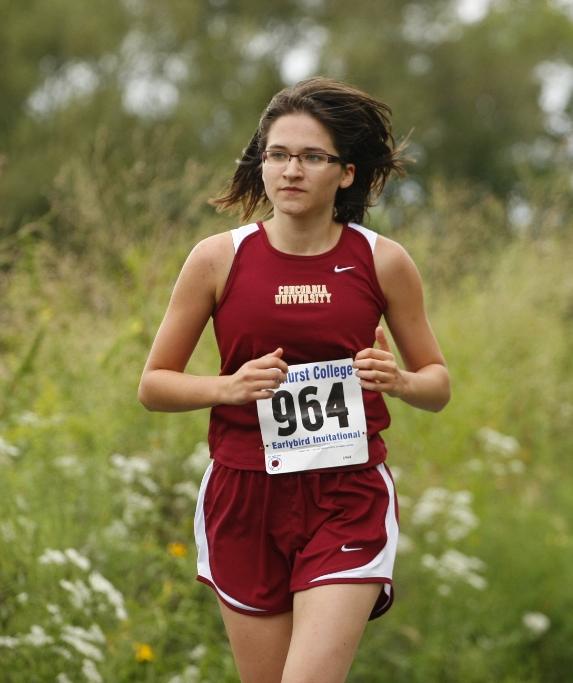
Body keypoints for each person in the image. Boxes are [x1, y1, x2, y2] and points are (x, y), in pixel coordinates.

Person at [138, 77, 450, 683]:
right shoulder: (217, 258)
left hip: (347, 493)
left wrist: (401, 381)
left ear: (347, 173)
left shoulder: (382, 261)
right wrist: (226, 387)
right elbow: (154, 384)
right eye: (277, 154)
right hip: (244, 496)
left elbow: (438, 382)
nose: (290, 170)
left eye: (311, 157)